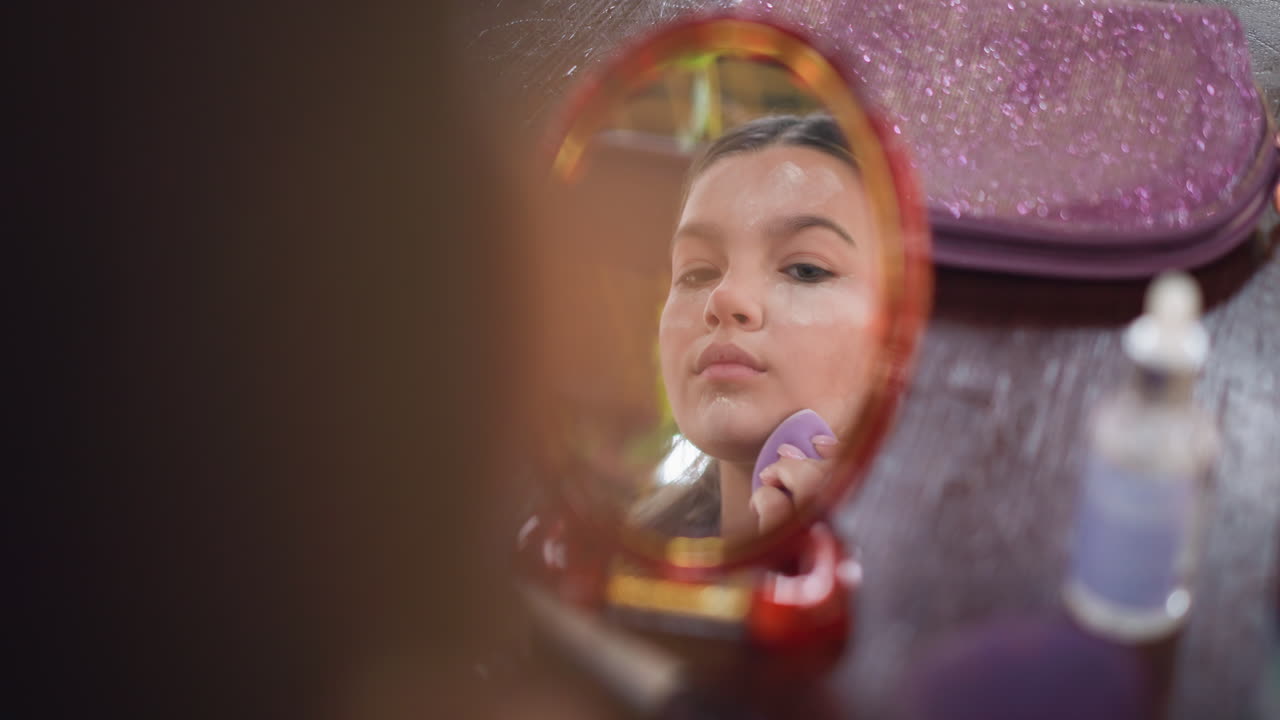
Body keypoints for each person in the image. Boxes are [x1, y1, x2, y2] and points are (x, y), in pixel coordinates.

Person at [633, 113, 880, 544]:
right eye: (697, 272)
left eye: (806, 270)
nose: (724, 299)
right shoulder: (594, 585)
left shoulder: (977, 598)